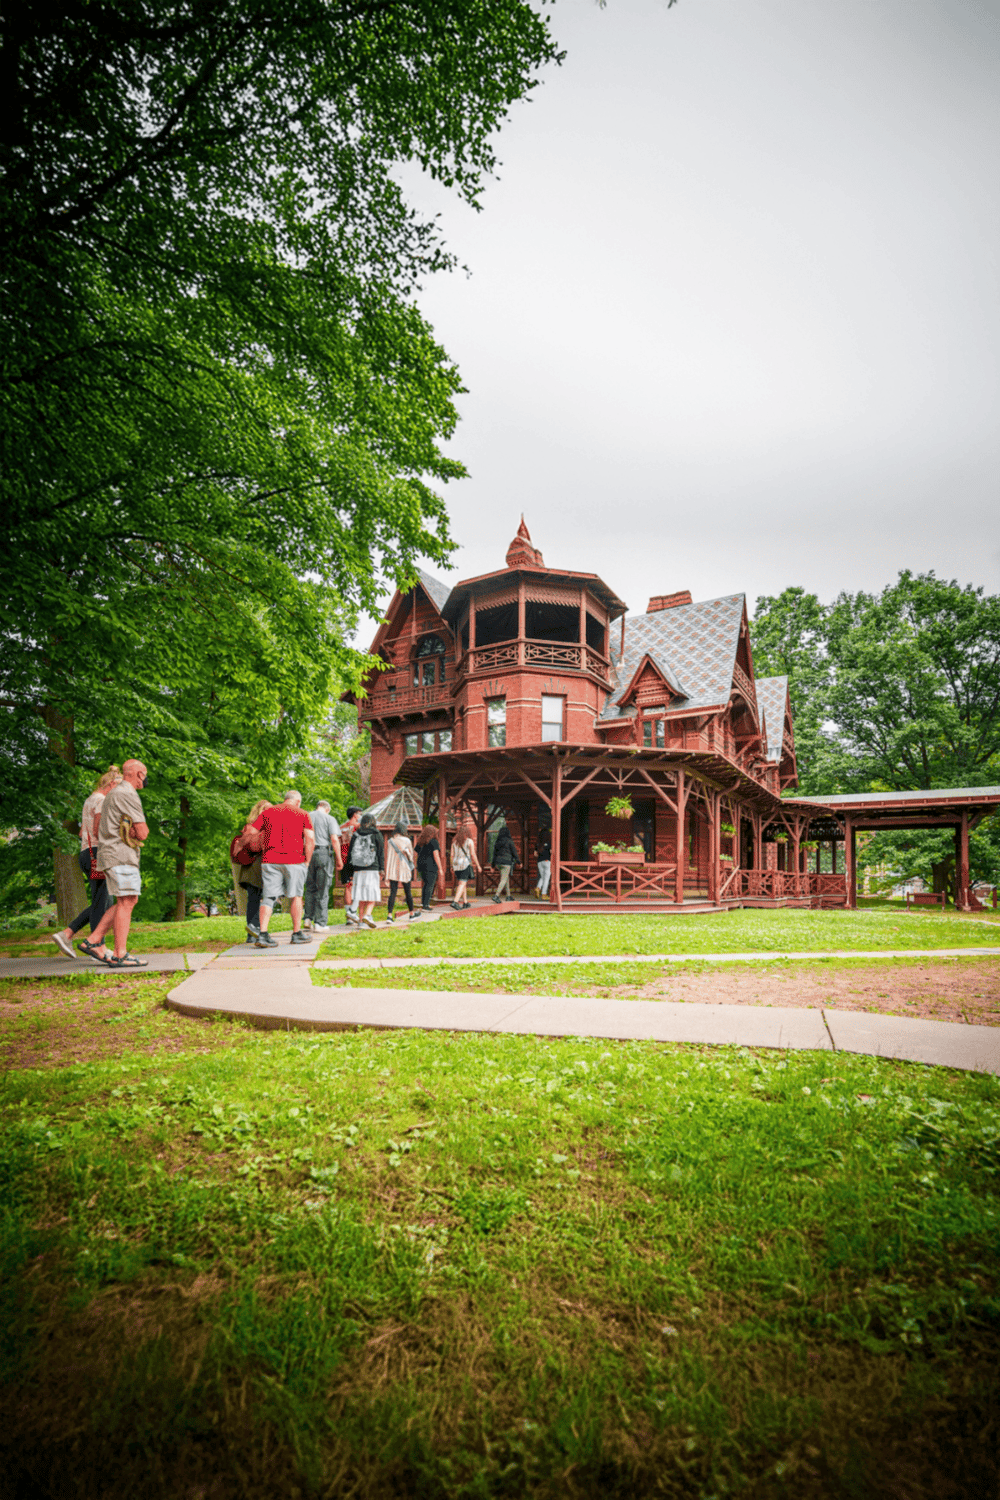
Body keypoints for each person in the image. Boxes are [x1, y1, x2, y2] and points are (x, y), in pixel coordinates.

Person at [79, 759, 150, 967]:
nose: (144, 780)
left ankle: (93, 940)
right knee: (127, 901)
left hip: (111, 853)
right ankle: (120, 954)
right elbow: (143, 832)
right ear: (137, 774)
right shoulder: (128, 793)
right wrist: (137, 833)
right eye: (143, 775)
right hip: (121, 854)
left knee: (126, 900)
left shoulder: (111, 794)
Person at [52, 764, 122, 959]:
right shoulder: (101, 800)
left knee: (102, 901)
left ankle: (70, 935)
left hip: (87, 854)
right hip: (100, 853)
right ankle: (95, 944)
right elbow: (101, 828)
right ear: (111, 784)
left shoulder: (89, 800)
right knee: (105, 902)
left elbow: (84, 831)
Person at [249, 790, 315, 948]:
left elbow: (252, 832)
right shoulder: (303, 813)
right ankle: (296, 933)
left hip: (270, 860)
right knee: (296, 896)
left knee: (269, 897)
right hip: (294, 860)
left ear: (285, 799)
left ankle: (263, 935)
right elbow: (310, 839)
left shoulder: (269, 812)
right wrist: (307, 861)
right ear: (297, 801)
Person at [231, 799, 271, 942]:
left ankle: (252, 933)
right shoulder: (267, 828)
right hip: (260, 866)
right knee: (264, 899)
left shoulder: (248, 827)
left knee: (253, 900)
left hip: (248, 866)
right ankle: (258, 931)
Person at [303, 799, 342, 932]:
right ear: (327, 808)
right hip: (323, 853)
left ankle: (307, 918)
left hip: (307, 854)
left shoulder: (306, 816)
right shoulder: (329, 818)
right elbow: (334, 839)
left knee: (309, 887)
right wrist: (339, 859)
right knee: (323, 889)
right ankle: (320, 923)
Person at [346, 812, 384, 929]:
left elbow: (350, 854)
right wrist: (381, 869)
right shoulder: (376, 833)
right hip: (372, 868)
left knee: (361, 895)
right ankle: (368, 915)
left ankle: (361, 922)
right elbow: (380, 853)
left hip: (358, 869)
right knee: (372, 893)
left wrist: (350, 871)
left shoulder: (356, 834)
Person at [384, 820, 416, 922]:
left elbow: (388, 858)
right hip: (404, 868)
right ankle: (411, 914)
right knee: (408, 892)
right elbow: (411, 856)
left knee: (392, 892)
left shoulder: (390, 841)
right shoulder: (407, 841)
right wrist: (406, 852)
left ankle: (389, 916)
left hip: (393, 869)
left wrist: (387, 875)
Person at [339, 805, 362, 925]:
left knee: (347, 887)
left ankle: (348, 915)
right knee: (357, 885)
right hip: (355, 860)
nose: (360, 816)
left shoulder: (341, 828)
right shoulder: (358, 827)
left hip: (343, 859)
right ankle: (353, 912)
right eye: (359, 813)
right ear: (355, 815)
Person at [450, 822, 481, 910]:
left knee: (462, 883)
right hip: (465, 864)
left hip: (456, 865)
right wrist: (478, 865)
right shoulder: (469, 841)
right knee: (462, 883)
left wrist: (452, 866)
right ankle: (455, 902)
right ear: (467, 833)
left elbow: (451, 855)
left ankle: (465, 902)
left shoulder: (454, 842)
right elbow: (473, 854)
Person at [414, 825, 444, 912]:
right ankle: (426, 905)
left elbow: (415, 853)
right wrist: (440, 868)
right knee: (429, 885)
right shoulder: (434, 842)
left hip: (421, 866)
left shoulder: (420, 842)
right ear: (433, 833)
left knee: (425, 885)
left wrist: (416, 863)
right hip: (431, 866)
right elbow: (436, 855)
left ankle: (423, 903)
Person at [492, 821, 518, 902]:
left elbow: (494, 854)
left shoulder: (497, 842)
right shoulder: (509, 841)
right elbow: (514, 853)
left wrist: (492, 866)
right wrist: (519, 862)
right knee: (503, 879)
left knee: (505, 879)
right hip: (506, 863)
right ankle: (496, 896)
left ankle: (508, 896)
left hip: (498, 863)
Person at [535, 827, 552, 900]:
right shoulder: (549, 843)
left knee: (543, 877)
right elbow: (551, 852)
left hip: (539, 862)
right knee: (546, 878)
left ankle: (538, 888)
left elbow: (535, 854)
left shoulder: (538, 843)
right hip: (547, 861)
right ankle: (544, 894)